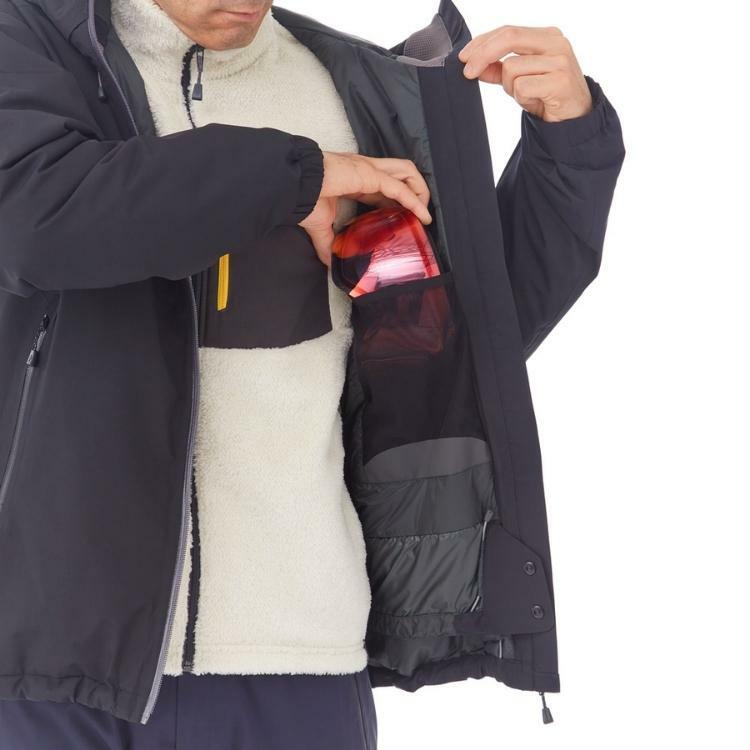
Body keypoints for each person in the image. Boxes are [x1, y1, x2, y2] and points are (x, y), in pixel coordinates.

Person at [0, 0, 625, 747]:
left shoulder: (354, 89)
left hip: (302, 660)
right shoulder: (40, 51)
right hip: (52, 666)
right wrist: (296, 176)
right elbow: (35, 217)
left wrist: (568, 145)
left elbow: (467, 346)